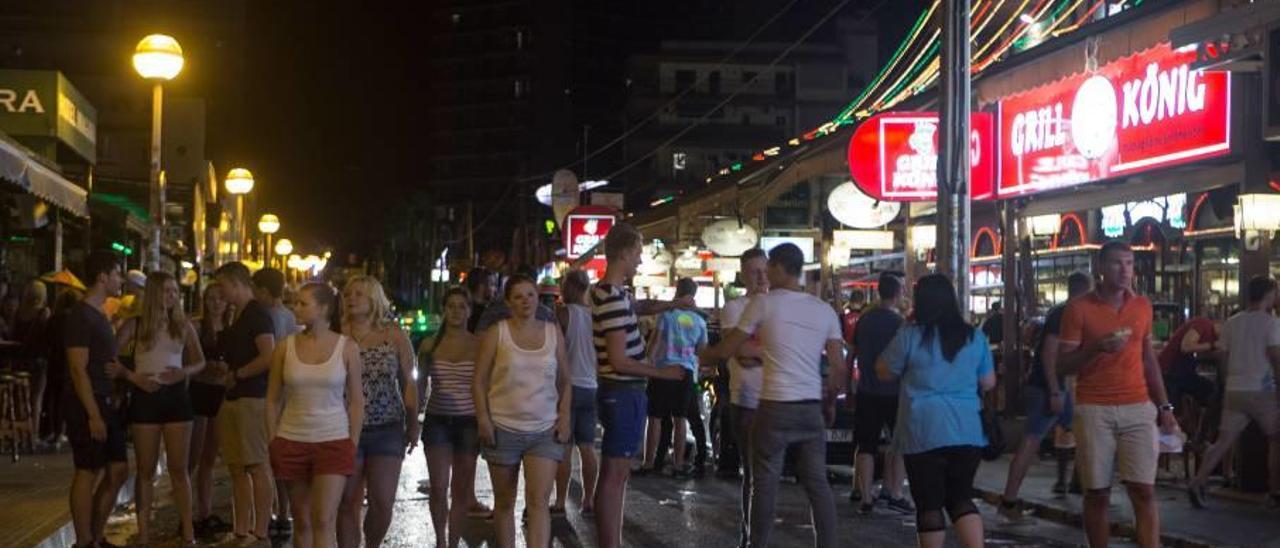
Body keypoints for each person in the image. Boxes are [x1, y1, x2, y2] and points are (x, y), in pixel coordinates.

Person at [701, 243, 847, 548]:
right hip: (810, 408)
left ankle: (757, 544)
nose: (766, 273)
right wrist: (830, 402)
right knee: (817, 484)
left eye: (769, 267)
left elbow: (728, 350)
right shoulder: (823, 310)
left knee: (763, 483)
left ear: (780, 268)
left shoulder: (764, 305)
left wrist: (705, 354)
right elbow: (837, 368)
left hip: (773, 406)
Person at [1057, 241, 1178, 548]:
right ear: (1100, 268)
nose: (1124, 270)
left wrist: (1164, 405)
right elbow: (1063, 363)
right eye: (1116, 263)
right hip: (1094, 407)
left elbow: (1148, 359)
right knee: (1097, 491)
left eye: (1129, 263)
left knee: (1144, 489)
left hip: (1137, 405)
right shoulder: (1079, 308)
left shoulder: (1142, 306)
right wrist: (1096, 348)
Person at [874, 274, 995, 548]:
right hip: (967, 431)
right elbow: (988, 382)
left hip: (923, 430)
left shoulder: (910, 335)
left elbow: (883, 371)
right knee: (961, 499)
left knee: (929, 505)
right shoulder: (974, 336)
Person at [590, 222, 687, 548]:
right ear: (624, 253)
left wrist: (673, 304)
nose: (640, 262)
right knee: (616, 476)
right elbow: (620, 360)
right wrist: (662, 372)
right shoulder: (614, 299)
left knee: (613, 474)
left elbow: (639, 307)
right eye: (637, 254)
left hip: (617, 391)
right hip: (623, 390)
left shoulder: (607, 292)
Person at [474, 274, 572, 548]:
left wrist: (565, 416)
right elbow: (479, 379)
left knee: (539, 502)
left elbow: (565, 379)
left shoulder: (553, 332)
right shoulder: (498, 333)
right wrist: (483, 418)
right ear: (509, 302)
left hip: (544, 430)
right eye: (518, 296)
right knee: (504, 502)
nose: (525, 301)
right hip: (503, 428)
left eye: (530, 294)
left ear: (538, 298)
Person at [267, 282, 364, 548]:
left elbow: (356, 400)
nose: (295, 308)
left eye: (302, 303)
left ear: (323, 309)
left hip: (333, 439)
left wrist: (352, 442)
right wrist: (272, 439)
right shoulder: (284, 347)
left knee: (323, 519)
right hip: (291, 439)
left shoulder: (347, 347)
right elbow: (272, 398)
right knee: (302, 521)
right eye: (295, 303)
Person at [114, 272, 206, 544]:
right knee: (145, 469)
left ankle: (188, 530)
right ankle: (144, 533)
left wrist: (183, 373)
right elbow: (111, 355)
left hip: (176, 396)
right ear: (154, 293)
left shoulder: (183, 325)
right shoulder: (136, 324)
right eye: (167, 291)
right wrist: (134, 378)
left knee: (179, 469)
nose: (172, 296)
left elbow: (200, 361)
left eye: (175, 291)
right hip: (146, 397)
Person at [1000, 271, 1092, 520]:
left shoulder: (1062, 312)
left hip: (1054, 386)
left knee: (1083, 431)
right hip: (1048, 388)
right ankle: (1008, 500)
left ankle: (1080, 485)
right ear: (1084, 290)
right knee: (1032, 441)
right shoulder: (1065, 314)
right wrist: (1054, 389)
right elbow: (1050, 352)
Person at [337, 276, 419, 548]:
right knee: (347, 501)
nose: (351, 298)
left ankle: (372, 544)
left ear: (374, 299)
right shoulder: (338, 333)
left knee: (382, 502)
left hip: (387, 427)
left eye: (358, 294)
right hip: (345, 427)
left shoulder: (393, 334)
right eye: (348, 294)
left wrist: (413, 421)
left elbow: (409, 380)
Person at [1188, 275, 1280, 508]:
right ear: (1269, 295)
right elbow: (1275, 357)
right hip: (1262, 390)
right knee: (1275, 439)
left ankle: (1197, 481)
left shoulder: (1232, 322)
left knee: (1224, 441)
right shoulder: (1271, 323)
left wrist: (1229, 380)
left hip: (1234, 389)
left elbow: (1222, 357)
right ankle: (1275, 490)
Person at [65, 251, 128, 548]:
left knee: (117, 468)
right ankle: (84, 540)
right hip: (88, 403)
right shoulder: (81, 315)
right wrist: (93, 414)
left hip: (105, 400)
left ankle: (94, 533)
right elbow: (78, 369)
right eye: (117, 274)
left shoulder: (100, 313)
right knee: (87, 469)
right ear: (102, 276)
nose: (121, 280)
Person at [215, 262, 278, 541]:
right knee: (237, 465)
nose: (221, 291)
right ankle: (241, 526)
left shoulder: (257, 315)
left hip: (252, 397)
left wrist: (239, 373)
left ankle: (262, 526)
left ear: (236, 283)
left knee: (256, 464)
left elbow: (268, 355)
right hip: (233, 396)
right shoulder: (234, 314)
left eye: (223, 285)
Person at [419, 287, 484, 547]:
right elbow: (420, 385)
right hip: (437, 421)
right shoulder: (429, 344)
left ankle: (453, 542)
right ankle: (440, 540)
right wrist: (412, 420)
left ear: (469, 311)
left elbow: (486, 385)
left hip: (469, 423)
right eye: (451, 306)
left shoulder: (480, 345)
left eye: (462, 306)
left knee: (460, 490)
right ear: (444, 310)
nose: (456, 311)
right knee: (438, 486)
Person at [851, 271, 912, 515]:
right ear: (897, 295)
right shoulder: (900, 324)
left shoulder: (864, 320)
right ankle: (893, 491)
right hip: (895, 392)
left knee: (866, 445)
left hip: (866, 390)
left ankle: (866, 496)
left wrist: (848, 386)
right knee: (898, 444)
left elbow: (852, 356)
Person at [718, 247, 768, 548]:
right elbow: (741, 354)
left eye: (764, 270)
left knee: (769, 475)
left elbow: (751, 352)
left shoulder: (777, 306)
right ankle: (750, 536)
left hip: (777, 400)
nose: (761, 277)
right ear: (743, 274)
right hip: (747, 399)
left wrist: (757, 352)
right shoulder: (734, 308)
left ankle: (760, 534)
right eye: (754, 271)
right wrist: (775, 354)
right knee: (753, 473)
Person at [641, 277, 708, 476]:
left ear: (678, 291)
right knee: (680, 419)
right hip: (685, 372)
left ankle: (649, 462)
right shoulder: (699, 321)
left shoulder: (667, 316)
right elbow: (702, 351)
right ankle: (678, 463)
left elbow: (655, 343)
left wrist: (646, 365)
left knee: (655, 418)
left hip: (663, 370)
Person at [254, 267, 298, 538]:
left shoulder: (266, 316)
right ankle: (284, 511)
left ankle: (272, 512)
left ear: (264, 291)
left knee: (268, 457)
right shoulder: (291, 317)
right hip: (287, 393)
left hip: (269, 392)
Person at [189, 282, 235, 539]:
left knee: (210, 457)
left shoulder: (231, 330)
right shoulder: (196, 327)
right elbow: (189, 361)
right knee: (192, 458)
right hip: (198, 394)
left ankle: (204, 513)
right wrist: (208, 367)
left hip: (220, 394)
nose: (216, 303)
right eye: (211, 299)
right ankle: (191, 514)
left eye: (221, 298)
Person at [553, 270, 600, 517]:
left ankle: (560, 502)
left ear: (571, 287)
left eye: (563, 285)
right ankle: (589, 499)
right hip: (591, 387)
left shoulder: (563, 314)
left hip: (567, 388)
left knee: (564, 447)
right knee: (588, 447)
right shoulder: (595, 317)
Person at [1158, 313, 1218, 427]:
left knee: (1210, 392)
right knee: (1172, 412)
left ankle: (1193, 429)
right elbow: (1186, 347)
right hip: (1170, 372)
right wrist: (1213, 345)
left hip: (1181, 373)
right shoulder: (1203, 323)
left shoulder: (1213, 336)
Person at [43, 287, 83, 445]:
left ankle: (52, 430)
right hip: (68, 361)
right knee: (65, 397)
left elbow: (46, 338)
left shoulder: (54, 319)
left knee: (53, 396)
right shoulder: (74, 319)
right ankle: (62, 430)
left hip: (54, 360)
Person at [12, 280, 51, 442]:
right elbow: (47, 337)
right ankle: (33, 433)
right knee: (36, 398)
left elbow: (14, 333)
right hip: (39, 360)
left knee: (21, 397)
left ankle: (19, 432)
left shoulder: (19, 312)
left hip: (20, 359)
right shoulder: (44, 312)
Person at [465, 267, 495, 333]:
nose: (494, 289)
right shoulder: (488, 314)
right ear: (481, 286)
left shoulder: (465, 310)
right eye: (492, 284)